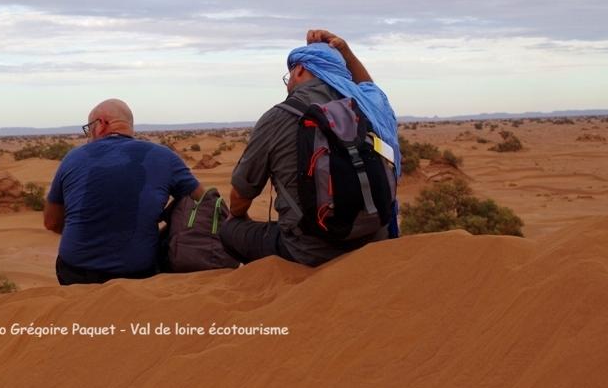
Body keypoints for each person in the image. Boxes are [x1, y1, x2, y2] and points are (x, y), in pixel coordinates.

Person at [220, 28, 400, 267]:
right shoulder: (367, 107)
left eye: (289, 76)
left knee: (229, 229)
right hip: (375, 239)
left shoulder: (278, 117)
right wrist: (345, 52)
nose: (288, 83)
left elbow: (241, 197)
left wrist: (238, 218)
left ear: (300, 69)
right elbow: (368, 86)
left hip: (309, 252)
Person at [43, 98, 205, 285]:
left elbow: (51, 222)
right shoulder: (164, 156)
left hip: (75, 273)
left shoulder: (73, 157)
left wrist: (88, 229)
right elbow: (205, 201)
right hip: (139, 273)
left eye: (89, 128)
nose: (88, 136)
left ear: (101, 124)